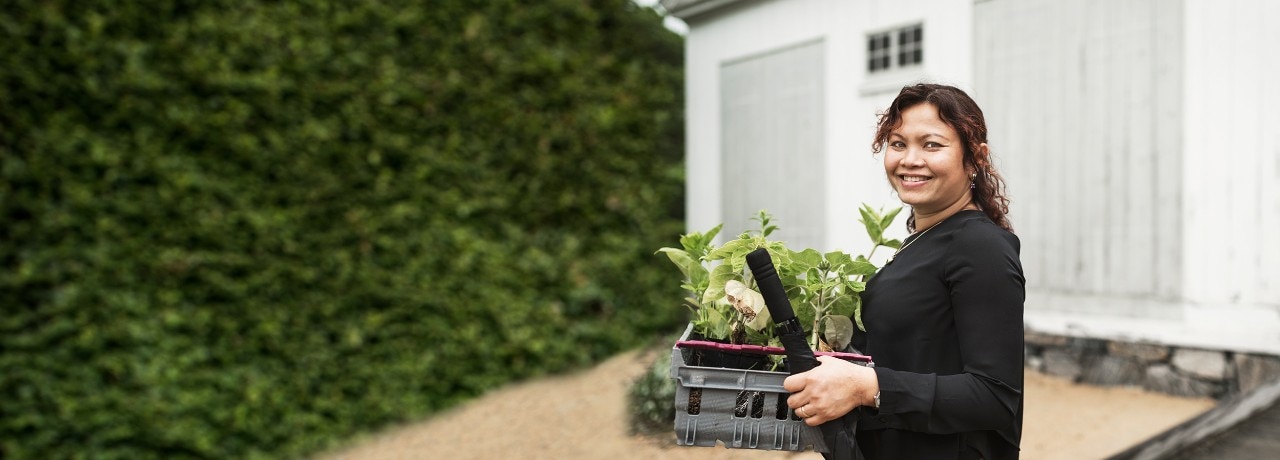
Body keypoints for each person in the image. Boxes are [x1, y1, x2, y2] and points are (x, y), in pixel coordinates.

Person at [784, 83, 1025, 460]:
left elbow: (994, 396)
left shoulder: (980, 246)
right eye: (898, 144)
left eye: (932, 145)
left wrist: (866, 387)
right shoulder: (922, 243)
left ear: (974, 158)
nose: (910, 159)